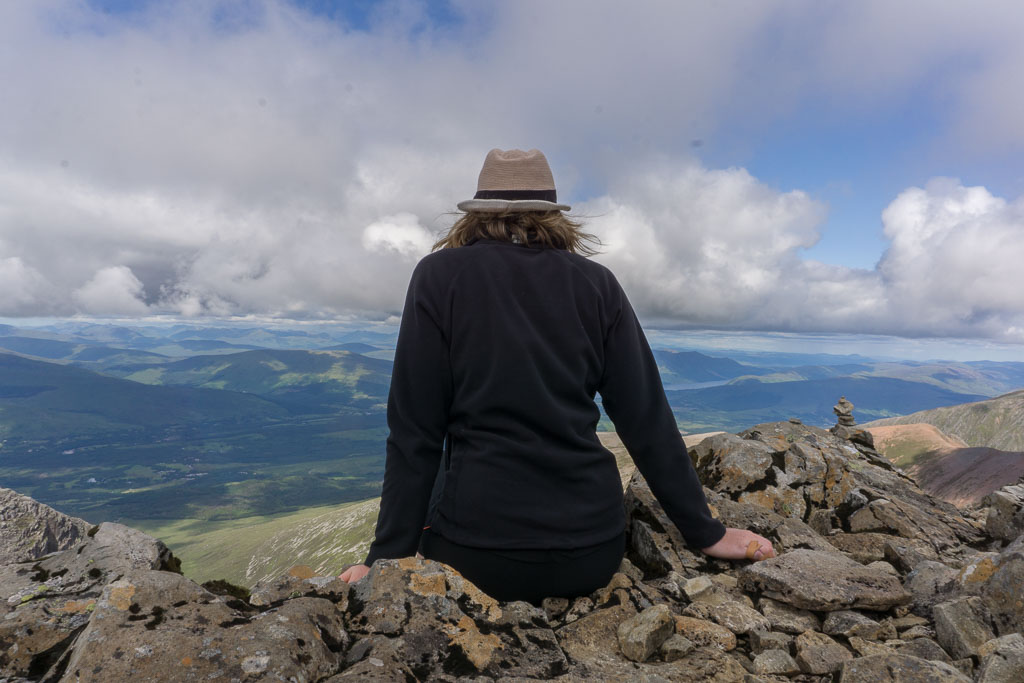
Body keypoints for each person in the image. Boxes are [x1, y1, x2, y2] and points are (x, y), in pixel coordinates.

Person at [339, 149, 774, 602]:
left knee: (445, 470)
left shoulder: (437, 276)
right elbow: (646, 420)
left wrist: (384, 557)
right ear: (552, 214)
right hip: (591, 554)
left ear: (476, 212)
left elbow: (415, 431)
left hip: (474, 556)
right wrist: (706, 531)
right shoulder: (598, 283)